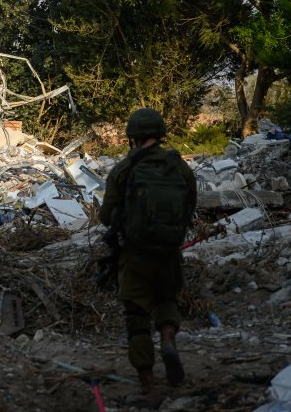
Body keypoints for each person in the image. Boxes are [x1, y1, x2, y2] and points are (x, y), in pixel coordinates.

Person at [98, 108, 197, 406]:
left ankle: (148, 386)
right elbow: (190, 208)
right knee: (167, 299)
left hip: (135, 254)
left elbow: (105, 216)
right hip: (169, 251)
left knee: (137, 315)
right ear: (160, 133)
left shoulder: (124, 169)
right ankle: (168, 338)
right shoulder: (180, 168)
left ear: (132, 136)